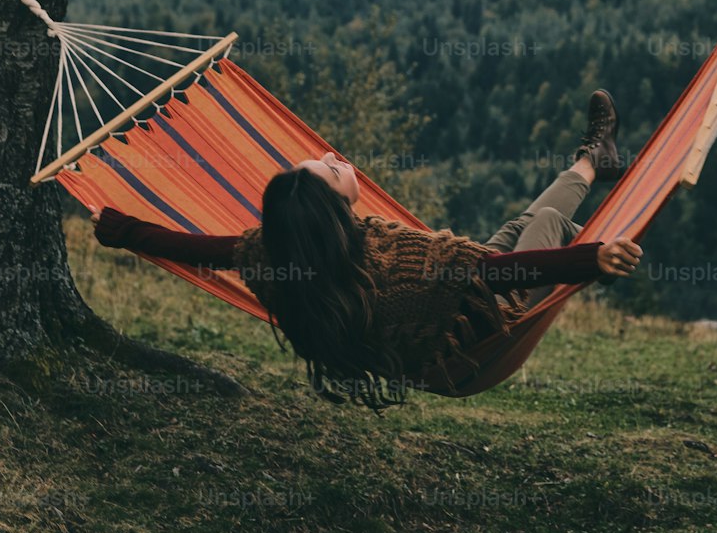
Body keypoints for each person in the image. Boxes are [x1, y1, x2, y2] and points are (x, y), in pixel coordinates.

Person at [92, 89, 643, 410]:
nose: (334, 156)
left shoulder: (278, 253)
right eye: (329, 168)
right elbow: (504, 275)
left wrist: (117, 227)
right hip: (480, 339)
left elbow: (194, 249)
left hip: (464, 297)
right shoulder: (396, 268)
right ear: (335, 209)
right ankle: (592, 172)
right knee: (545, 220)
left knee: (523, 220)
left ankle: (596, 156)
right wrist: (589, 261)